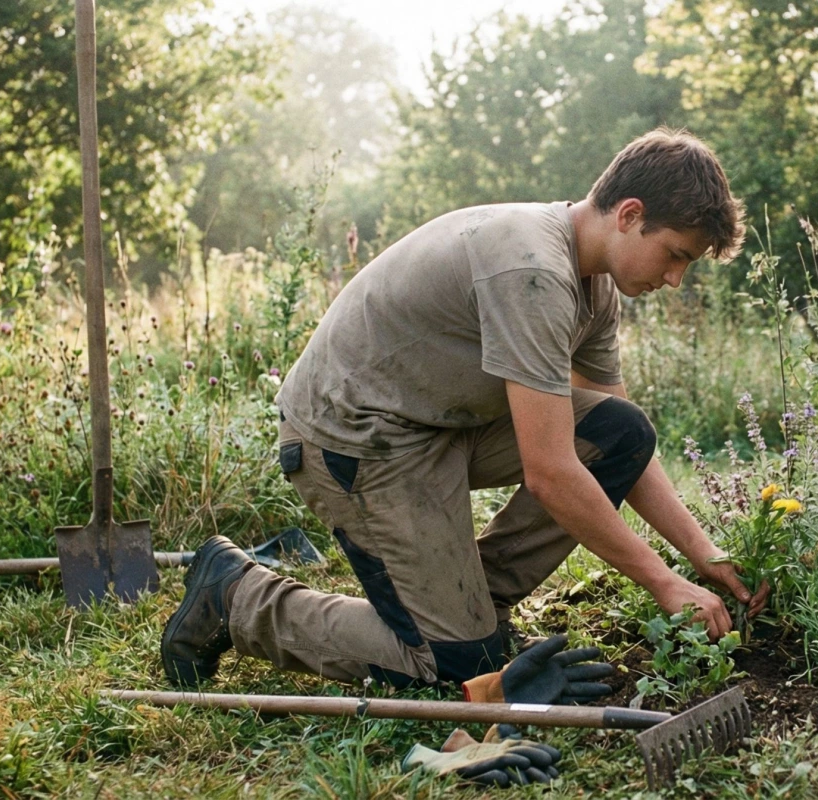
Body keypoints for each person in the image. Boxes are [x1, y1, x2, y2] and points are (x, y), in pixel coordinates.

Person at [159, 128, 769, 706]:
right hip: (353, 439)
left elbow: (617, 441)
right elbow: (550, 473)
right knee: (451, 664)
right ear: (630, 215)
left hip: (437, 427)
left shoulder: (594, 286)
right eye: (675, 255)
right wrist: (663, 583)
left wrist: (703, 556)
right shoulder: (532, 271)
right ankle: (238, 596)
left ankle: (476, 608)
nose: (675, 278)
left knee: (619, 430)